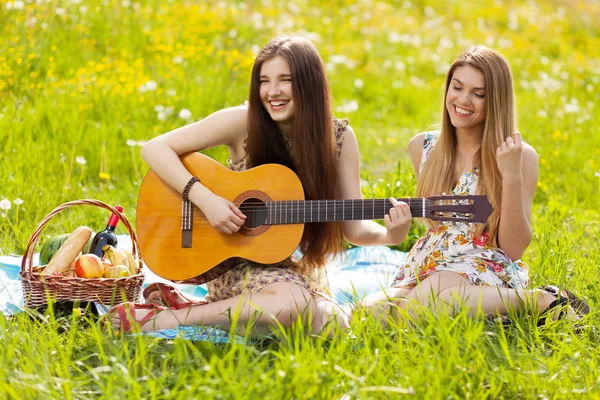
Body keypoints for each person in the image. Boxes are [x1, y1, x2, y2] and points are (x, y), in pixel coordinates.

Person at [107, 36, 412, 334]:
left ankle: (189, 306)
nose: (272, 91)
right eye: (264, 81)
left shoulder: (339, 139)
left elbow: (354, 229)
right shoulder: (244, 122)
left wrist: (390, 233)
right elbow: (155, 148)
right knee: (292, 304)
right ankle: (167, 319)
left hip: (298, 268)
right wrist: (206, 199)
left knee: (334, 327)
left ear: (310, 83)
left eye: (284, 80)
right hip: (236, 262)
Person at [357, 46, 589, 325]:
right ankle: (490, 311)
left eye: (478, 94)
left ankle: (539, 300)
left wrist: (512, 176)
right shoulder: (423, 147)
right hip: (430, 261)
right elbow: (438, 228)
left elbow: (513, 248)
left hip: (484, 261)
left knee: (420, 310)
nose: (463, 100)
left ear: (496, 101)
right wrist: (397, 229)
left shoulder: (519, 155)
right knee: (366, 313)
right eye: (457, 87)